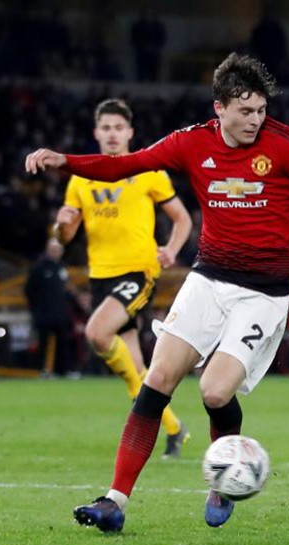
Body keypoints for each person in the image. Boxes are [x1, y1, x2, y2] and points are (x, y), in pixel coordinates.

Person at [26, 53, 289, 532]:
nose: (255, 120)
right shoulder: (190, 143)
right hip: (209, 278)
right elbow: (126, 166)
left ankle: (223, 481)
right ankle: (114, 501)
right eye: (245, 111)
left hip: (263, 292)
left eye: (261, 110)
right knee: (157, 379)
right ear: (219, 107)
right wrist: (65, 163)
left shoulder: (288, 146)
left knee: (214, 390)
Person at [55, 98, 193, 458]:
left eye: (119, 128)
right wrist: (62, 225)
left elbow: (183, 219)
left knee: (96, 333)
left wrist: (172, 249)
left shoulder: (149, 170)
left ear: (130, 132)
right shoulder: (81, 178)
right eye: (106, 128)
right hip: (100, 275)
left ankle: (159, 422)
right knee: (134, 369)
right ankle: (175, 429)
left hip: (139, 271)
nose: (112, 134)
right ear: (96, 133)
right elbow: (63, 239)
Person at [24, 238, 74, 376]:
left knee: (63, 344)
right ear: (47, 250)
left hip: (60, 313)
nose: (55, 252)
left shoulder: (62, 268)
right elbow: (29, 290)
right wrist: (36, 308)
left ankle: (63, 371)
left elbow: (66, 290)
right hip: (43, 314)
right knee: (42, 344)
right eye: (53, 249)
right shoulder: (38, 268)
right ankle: (42, 371)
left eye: (57, 249)